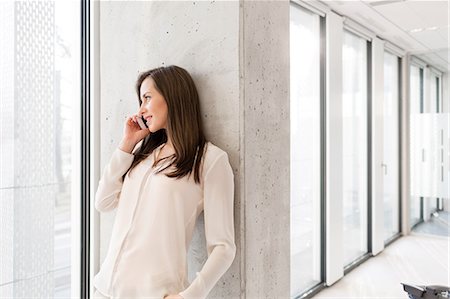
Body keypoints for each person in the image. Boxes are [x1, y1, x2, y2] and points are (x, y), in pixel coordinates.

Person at [92, 65, 236, 299]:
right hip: (105, 290)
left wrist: (189, 296)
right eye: (140, 101)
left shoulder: (210, 160)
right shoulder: (142, 152)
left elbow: (224, 247)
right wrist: (126, 144)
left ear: (172, 96)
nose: (141, 110)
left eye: (147, 98)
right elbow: (103, 202)